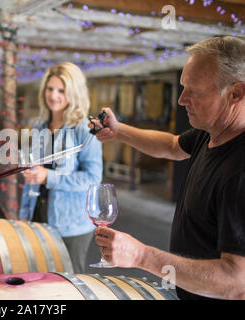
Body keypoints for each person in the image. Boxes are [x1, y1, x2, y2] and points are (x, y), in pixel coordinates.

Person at [88, 36, 245, 300]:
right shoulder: (211, 132)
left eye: (194, 91)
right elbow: (172, 145)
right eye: (183, 88)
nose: (182, 100)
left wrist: (141, 256)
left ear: (236, 93)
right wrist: (119, 131)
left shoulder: (240, 170)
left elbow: (237, 282)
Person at [18, 62, 103, 274]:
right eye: (50, 88)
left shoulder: (85, 130)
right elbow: (39, 168)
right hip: (37, 213)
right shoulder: (39, 126)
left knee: (68, 283)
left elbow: (93, 178)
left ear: (73, 93)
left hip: (69, 224)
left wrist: (49, 177)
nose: (53, 95)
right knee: (38, 277)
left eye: (61, 90)